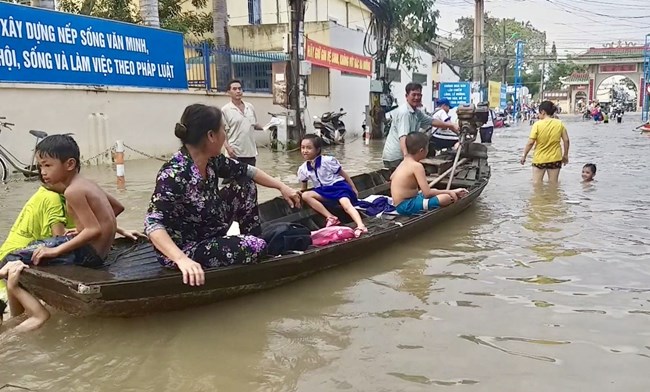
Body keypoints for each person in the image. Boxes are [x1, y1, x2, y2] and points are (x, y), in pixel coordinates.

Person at [144, 104, 301, 287]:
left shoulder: (211, 160)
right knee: (255, 247)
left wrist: (282, 187)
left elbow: (248, 171)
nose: (225, 135)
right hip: (187, 247)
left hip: (208, 225)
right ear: (211, 136)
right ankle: (253, 245)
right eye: (223, 130)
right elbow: (153, 223)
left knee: (245, 185)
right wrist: (181, 259)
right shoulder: (174, 174)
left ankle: (253, 238)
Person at [28, 135, 126, 266]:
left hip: (88, 257)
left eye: (47, 165)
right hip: (101, 253)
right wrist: (81, 229)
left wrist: (55, 251)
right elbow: (118, 207)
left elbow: (93, 230)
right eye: (40, 166)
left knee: (22, 254)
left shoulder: (72, 191)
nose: (43, 172)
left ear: (70, 164)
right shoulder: (88, 184)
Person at [298, 134, 367, 236]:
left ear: (317, 150)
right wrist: (299, 197)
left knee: (346, 205)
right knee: (306, 195)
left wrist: (353, 188)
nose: (305, 151)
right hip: (323, 191)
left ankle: (361, 225)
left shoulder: (327, 161)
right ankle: (331, 217)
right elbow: (304, 188)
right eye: (303, 148)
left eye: (309, 148)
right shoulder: (303, 169)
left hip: (339, 188)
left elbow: (343, 174)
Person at [382, 83, 459, 172]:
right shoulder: (405, 113)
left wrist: (451, 125)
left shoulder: (417, 113)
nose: (416, 97)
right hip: (396, 157)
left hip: (402, 155)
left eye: (419, 95)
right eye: (413, 95)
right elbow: (403, 137)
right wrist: (407, 158)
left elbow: (432, 121)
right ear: (406, 96)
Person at [391, 132, 468, 216]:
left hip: (405, 202)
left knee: (434, 190)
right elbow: (427, 193)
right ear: (422, 150)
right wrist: (451, 192)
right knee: (446, 198)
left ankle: (451, 192)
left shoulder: (404, 162)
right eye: (427, 148)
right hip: (406, 206)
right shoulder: (417, 166)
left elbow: (392, 177)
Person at [520, 101, 570, 184]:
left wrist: (524, 155)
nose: (538, 115)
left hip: (539, 159)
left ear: (543, 112)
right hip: (555, 159)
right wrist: (565, 155)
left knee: (537, 184)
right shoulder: (559, 123)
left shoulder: (537, 125)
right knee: (553, 184)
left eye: (539, 113)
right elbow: (566, 140)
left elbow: (530, 143)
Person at [221, 79, 264, 167]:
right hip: (234, 153)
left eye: (240, 89)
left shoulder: (250, 107)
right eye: (235, 89)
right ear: (229, 92)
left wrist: (266, 127)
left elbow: (254, 124)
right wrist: (228, 148)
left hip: (250, 153)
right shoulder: (225, 110)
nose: (238, 91)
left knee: (250, 179)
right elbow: (222, 132)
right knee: (234, 179)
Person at [0, 261, 49, 332]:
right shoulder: (8, 336)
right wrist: (14, 288)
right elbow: (41, 316)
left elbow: (18, 317)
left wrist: (9, 277)